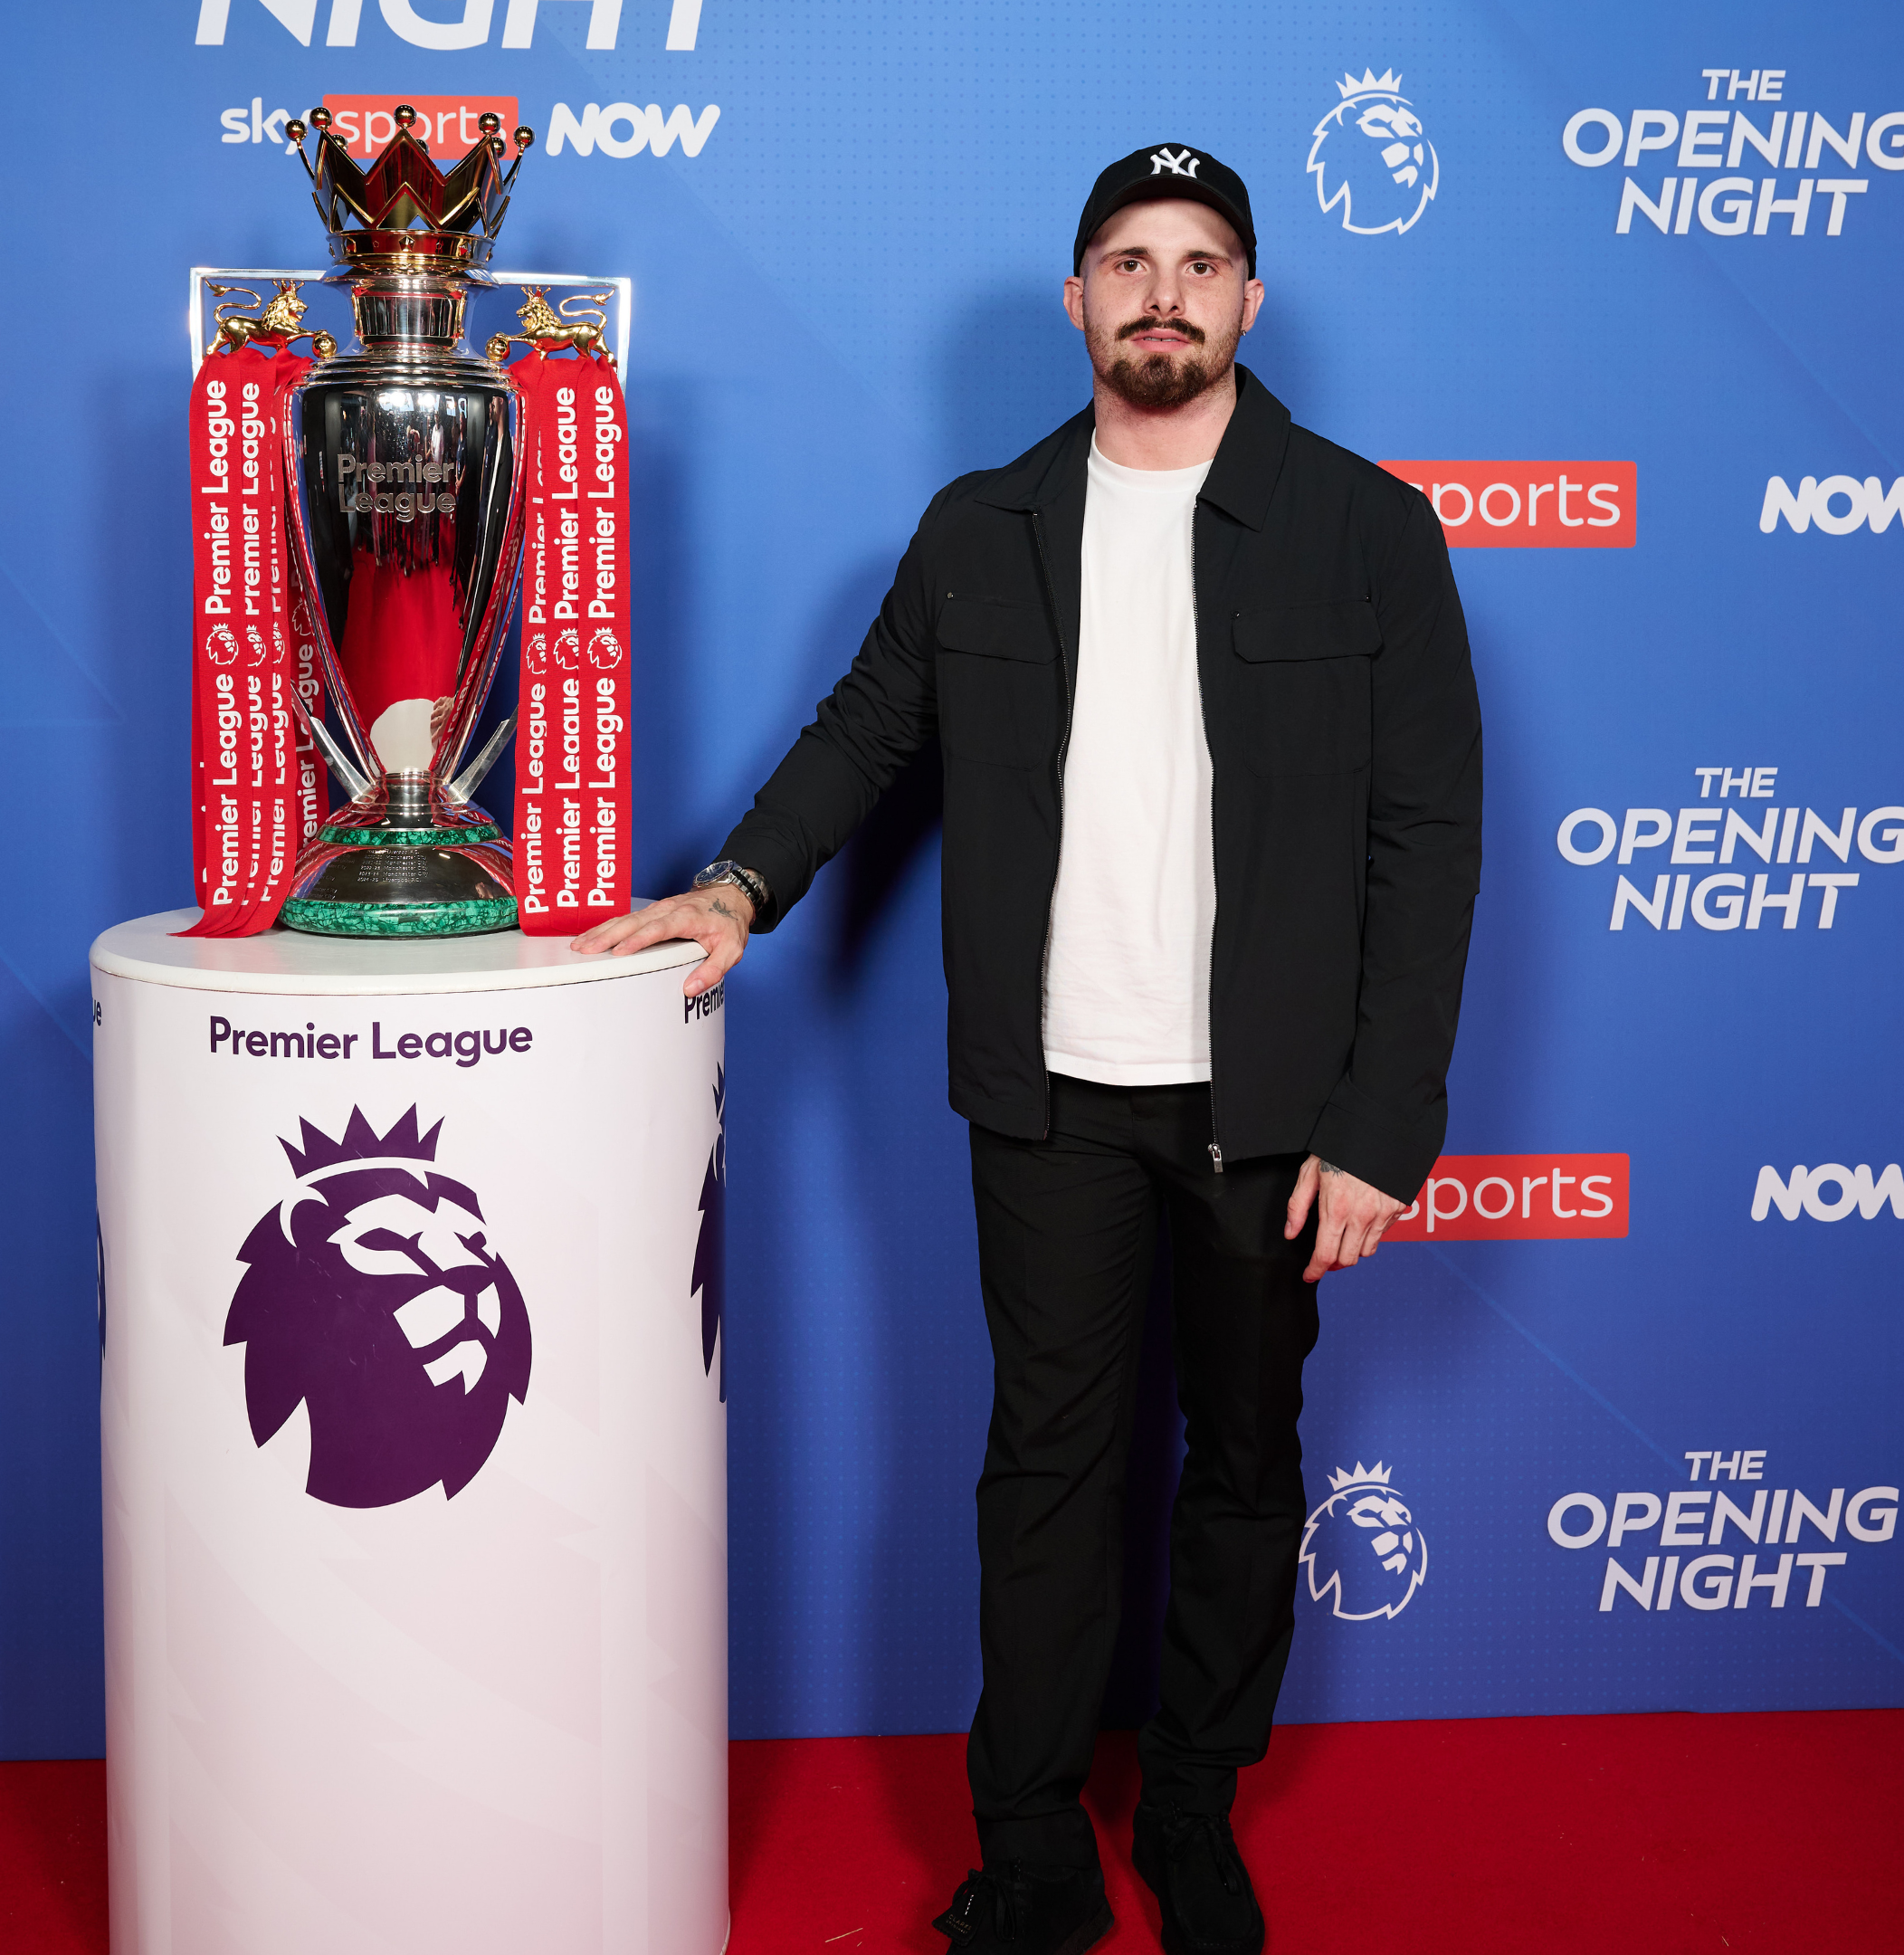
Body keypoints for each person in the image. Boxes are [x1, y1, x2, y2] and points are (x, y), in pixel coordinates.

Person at [575, 143, 1481, 1955]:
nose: (1164, 291)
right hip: (1050, 1100)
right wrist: (744, 884)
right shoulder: (978, 529)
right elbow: (866, 727)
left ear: (1248, 300)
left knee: (1242, 1464)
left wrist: (1385, 1123)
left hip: (1274, 1111)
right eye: (1127, 261)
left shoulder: (1366, 529)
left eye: (1200, 261)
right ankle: (1036, 1849)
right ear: (1078, 302)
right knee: (1046, 1475)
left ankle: (1201, 1813)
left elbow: (1429, 835)